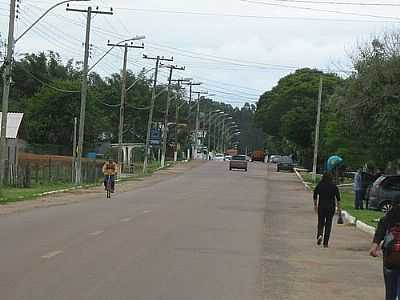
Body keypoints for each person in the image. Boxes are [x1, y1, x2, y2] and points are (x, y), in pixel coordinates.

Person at [370, 195, 400, 300]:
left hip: (390, 259)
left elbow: (378, 235)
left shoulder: (386, 219)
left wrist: (374, 248)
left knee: (390, 292)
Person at [313, 172, 341, 248]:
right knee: (328, 224)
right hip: (331, 207)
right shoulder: (334, 186)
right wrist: (339, 210)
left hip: (321, 207)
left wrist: (315, 205)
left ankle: (320, 235)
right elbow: (338, 199)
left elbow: (315, 195)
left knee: (321, 222)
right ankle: (325, 243)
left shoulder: (320, 185)